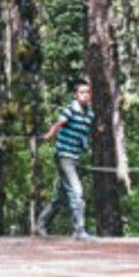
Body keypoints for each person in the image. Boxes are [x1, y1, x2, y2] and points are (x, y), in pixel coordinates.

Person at [36, 80, 94, 240]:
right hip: (64, 155)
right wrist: (49, 135)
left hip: (75, 157)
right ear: (76, 95)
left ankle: (41, 224)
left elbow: (84, 133)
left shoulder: (90, 113)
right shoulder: (71, 109)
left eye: (88, 92)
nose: (85, 95)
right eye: (82, 92)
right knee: (77, 191)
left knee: (60, 196)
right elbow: (59, 123)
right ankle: (79, 230)